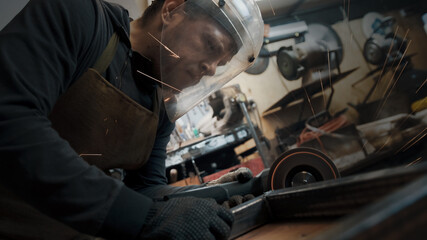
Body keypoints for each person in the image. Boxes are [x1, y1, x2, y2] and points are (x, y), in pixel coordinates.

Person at [0, 0, 263, 239]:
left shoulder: (161, 106)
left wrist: (215, 194)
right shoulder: (79, 17)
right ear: (171, 9)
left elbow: (146, 188)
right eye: (210, 46)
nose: (211, 68)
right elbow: (11, 120)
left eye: (222, 62)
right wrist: (140, 217)